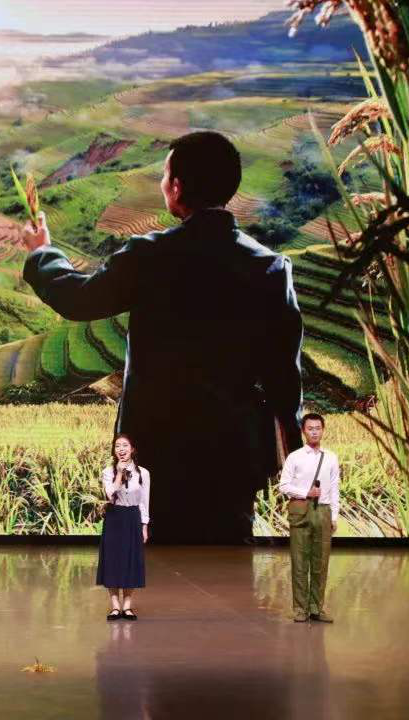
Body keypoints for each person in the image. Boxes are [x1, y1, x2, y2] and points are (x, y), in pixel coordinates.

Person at [21, 131, 304, 544]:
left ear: (176, 187)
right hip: (232, 456)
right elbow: (284, 379)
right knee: (228, 564)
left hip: (156, 450)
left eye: (165, 175)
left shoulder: (149, 256)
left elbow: (79, 299)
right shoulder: (270, 268)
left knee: (155, 560)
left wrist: (41, 252)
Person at [277, 412, 340, 623]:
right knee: (299, 561)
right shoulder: (295, 457)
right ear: (304, 431)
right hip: (301, 509)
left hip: (323, 511)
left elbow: (335, 488)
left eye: (318, 428)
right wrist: (306, 492)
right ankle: (300, 609)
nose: (314, 432)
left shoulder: (331, 457)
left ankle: (316, 608)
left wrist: (334, 516)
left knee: (321, 562)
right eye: (310, 428)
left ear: (323, 430)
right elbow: (284, 485)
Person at [97, 434, 150, 620]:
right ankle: (115, 606)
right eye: (117, 446)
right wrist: (119, 474)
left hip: (132, 517)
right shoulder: (108, 472)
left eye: (125, 445)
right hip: (115, 517)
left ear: (132, 449)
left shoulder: (143, 473)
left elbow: (144, 501)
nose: (121, 449)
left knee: (130, 561)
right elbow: (110, 494)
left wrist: (144, 526)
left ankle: (127, 606)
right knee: (112, 561)